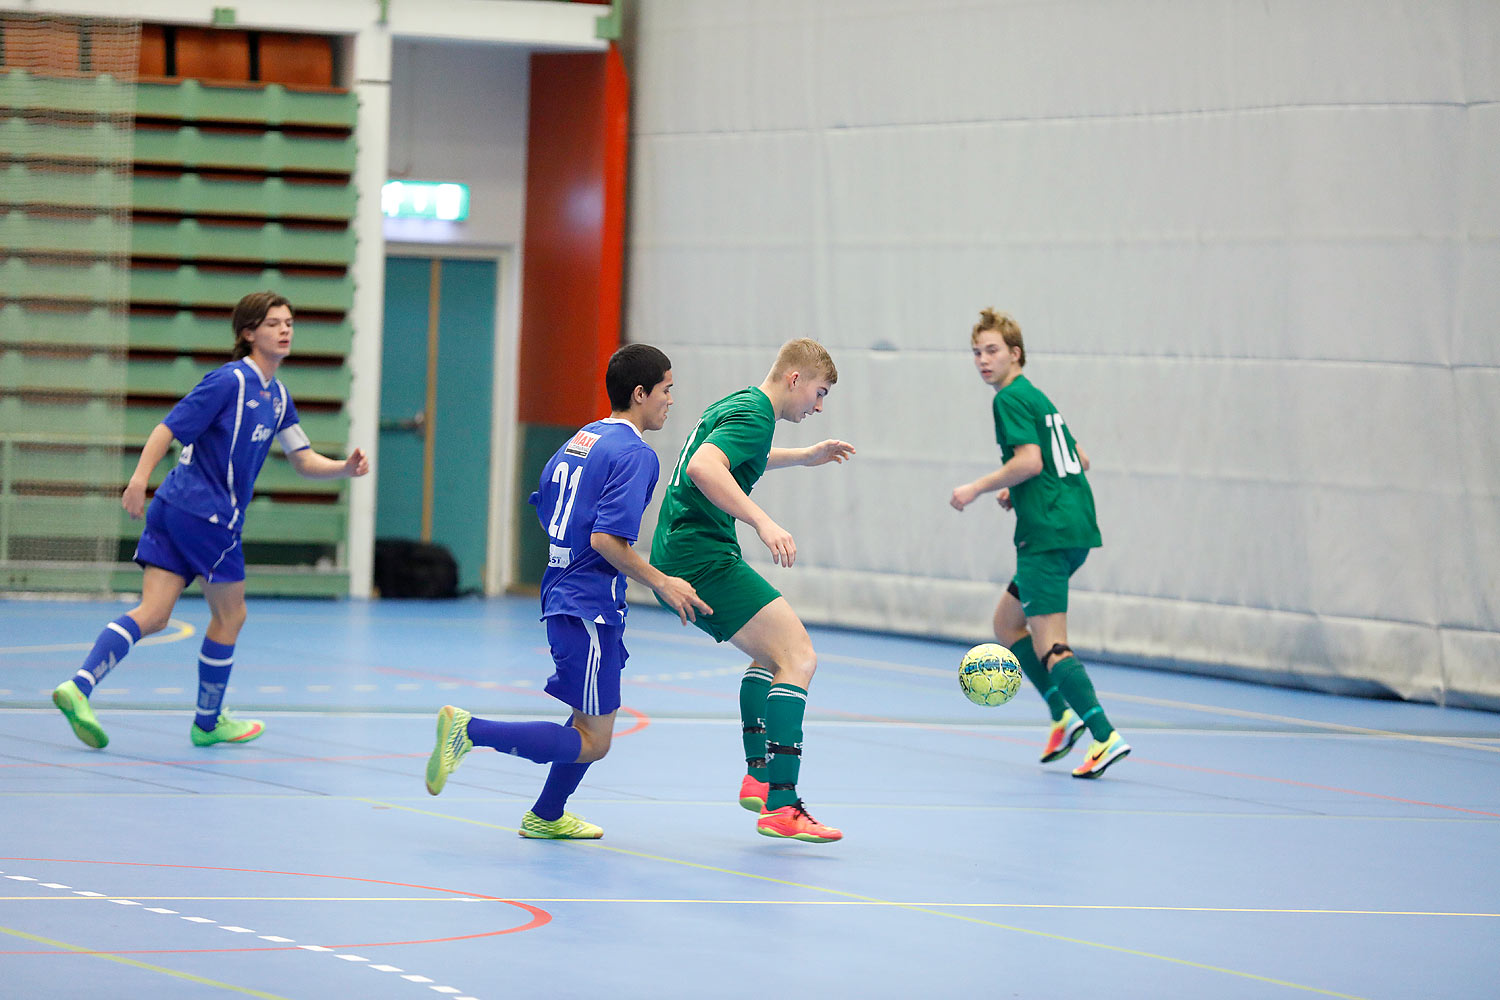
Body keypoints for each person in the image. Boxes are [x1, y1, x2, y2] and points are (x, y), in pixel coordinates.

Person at [51, 290, 370, 750]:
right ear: (247, 333)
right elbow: (168, 427)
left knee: (155, 614)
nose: (285, 330)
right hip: (208, 516)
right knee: (231, 612)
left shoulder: (277, 396)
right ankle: (207, 722)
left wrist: (341, 467)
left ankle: (78, 687)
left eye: (290, 323)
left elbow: (301, 458)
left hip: (174, 511)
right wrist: (139, 478)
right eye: (273, 323)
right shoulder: (230, 382)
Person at [424, 344, 710, 840]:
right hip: (588, 604)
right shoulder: (636, 454)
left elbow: (545, 504)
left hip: (564, 590)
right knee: (594, 740)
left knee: (586, 718)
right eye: (666, 390)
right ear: (640, 394)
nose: (670, 400)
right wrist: (662, 581)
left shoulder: (582, 438)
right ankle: (469, 731)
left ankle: (547, 815)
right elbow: (605, 539)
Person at [649, 338, 855, 843]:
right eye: (820, 393)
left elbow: (738, 453)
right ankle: (782, 804)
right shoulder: (755, 416)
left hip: (683, 552)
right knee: (799, 657)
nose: (819, 406)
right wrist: (763, 521)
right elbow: (703, 467)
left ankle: (758, 775)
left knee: (770, 658)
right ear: (795, 379)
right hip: (701, 558)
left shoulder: (740, 403)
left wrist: (805, 456)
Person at [949, 308, 1129, 778]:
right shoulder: (1037, 397)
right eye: (976, 353)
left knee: (1051, 644)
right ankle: (1061, 714)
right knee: (1007, 624)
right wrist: (1019, 488)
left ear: (1015, 354)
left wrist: (979, 487)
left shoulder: (1009, 399)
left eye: (992, 351)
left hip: (1046, 534)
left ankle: (1104, 736)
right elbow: (1079, 458)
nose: (983, 360)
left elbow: (1030, 460)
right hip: (1074, 528)